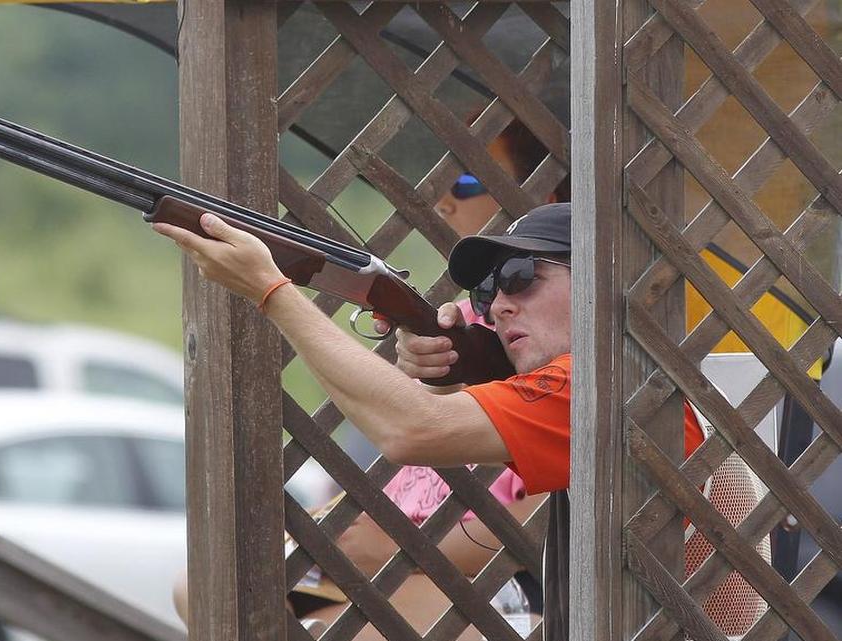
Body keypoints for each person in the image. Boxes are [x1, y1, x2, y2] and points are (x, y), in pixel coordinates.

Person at [154, 201, 706, 641]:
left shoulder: (600, 382)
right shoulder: (610, 379)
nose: (497, 307)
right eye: (486, 293)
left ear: (598, 277)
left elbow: (411, 430)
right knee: (215, 590)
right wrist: (456, 372)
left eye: (519, 275)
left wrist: (272, 291)